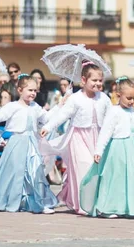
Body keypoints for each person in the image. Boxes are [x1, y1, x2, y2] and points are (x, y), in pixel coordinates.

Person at [81, 77, 134, 218]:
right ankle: (106, 208)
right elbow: (106, 132)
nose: (131, 101)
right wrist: (99, 150)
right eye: (128, 98)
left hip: (133, 150)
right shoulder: (114, 112)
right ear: (119, 95)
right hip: (117, 150)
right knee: (115, 179)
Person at [40, 62, 110, 215]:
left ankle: (95, 201)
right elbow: (62, 115)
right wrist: (47, 127)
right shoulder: (75, 99)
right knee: (83, 167)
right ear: (83, 80)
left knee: (96, 169)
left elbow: (111, 117)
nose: (98, 83)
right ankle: (82, 204)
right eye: (94, 80)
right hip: (78, 137)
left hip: (97, 137)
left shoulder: (104, 98)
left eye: (100, 80)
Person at [0, 75, 57, 213]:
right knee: (15, 173)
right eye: (30, 90)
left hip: (32, 143)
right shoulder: (13, 106)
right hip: (17, 142)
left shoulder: (35, 107)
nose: (33, 93)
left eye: (35, 90)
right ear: (19, 90)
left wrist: (60, 105)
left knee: (35, 171)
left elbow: (47, 117)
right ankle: (13, 200)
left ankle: (38, 202)